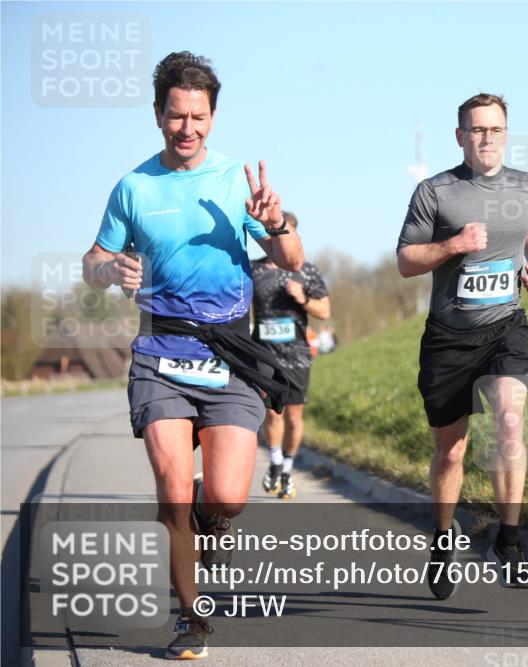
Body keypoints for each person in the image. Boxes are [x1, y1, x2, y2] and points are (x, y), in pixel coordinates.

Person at [81, 51, 304, 660]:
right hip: (161, 349)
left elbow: (290, 260)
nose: (188, 129)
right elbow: (93, 260)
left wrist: (276, 221)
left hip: (230, 350)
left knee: (225, 497)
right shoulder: (133, 187)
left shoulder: (238, 182)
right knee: (173, 488)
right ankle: (191, 619)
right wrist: (109, 268)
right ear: (158, 115)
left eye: (199, 117)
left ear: (213, 116)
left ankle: (213, 513)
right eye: (177, 116)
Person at [396, 93, 528, 600]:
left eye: (496, 129)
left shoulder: (526, 186)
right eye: (477, 130)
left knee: (510, 419)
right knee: (451, 449)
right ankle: (442, 539)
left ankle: (509, 539)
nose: (487, 138)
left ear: (507, 134)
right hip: (448, 338)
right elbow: (406, 259)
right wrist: (453, 245)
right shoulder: (434, 192)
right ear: (460, 136)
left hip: (505, 326)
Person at [251, 212, 331, 500]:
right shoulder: (253, 270)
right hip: (262, 352)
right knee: (272, 413)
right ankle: (273, 463)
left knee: (295, 417)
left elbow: (325, 311)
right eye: (274, 232)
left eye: (287, 233)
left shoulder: (305, 271)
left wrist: (303, 299)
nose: (281, 237)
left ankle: (286, 470)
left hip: (296, 354)